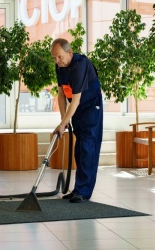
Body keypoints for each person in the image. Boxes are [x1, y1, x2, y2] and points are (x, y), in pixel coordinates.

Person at [51, 38, 103, 203]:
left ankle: (83, 192)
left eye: (59, 56)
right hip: (77, 110)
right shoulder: (60, 67)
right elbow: (61, 95)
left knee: (88, 148)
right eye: (54, 58)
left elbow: (76, 100)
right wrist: (63, 120)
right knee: (79, 149)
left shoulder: (79, 65)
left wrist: (63, 123)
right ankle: (78, 189)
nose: (57, 61)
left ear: (69, 52)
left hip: (90, 108)